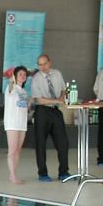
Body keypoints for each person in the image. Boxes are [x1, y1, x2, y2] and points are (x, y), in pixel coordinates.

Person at [30, 54, 70, 182]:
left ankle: (63, 172)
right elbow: (38, 99)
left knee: (63, 142)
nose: (43, 67)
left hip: (55, 111)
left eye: (45, 64)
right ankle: (42, 173)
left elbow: (64, 89)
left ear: (50, 62)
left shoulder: (57, 74)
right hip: (42, 111)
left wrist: (62, 97)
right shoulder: (36, 79)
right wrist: (56, 100)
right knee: (41, 143)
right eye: (40, 65)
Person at [3, 65, 30, 184]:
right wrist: (11, 81)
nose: (23, 76)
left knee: (18, 150)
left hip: (22, 124)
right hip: (12, 123)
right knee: (12, 150)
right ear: (15, 76)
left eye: (24, 74)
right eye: (20, 74)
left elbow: (24, 107)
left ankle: (12, 174)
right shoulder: (11, 88)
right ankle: (13, 176)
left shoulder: (24, 91)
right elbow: (10, 89)